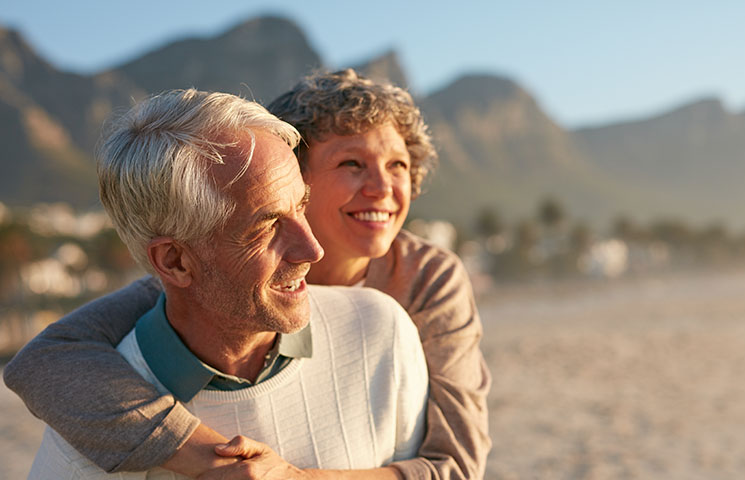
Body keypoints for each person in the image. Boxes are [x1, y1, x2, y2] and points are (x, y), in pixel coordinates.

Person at [4, 70, 491, 479]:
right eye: (351, 163)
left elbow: (455, 464)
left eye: (399, 165)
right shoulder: (190, 279)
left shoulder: (414, 293)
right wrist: (197, 451)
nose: (383, 186)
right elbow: (47, 359)